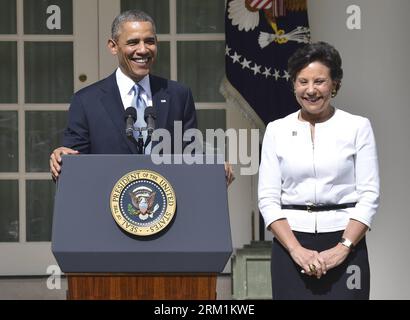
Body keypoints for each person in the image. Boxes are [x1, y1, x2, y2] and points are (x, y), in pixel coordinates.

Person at [49, 9, 234, 185]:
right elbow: (74, 159)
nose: (143, 50)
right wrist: (62, 156)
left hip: (166, 208)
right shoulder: (86, 100)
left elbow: (189, 154)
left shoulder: (178, 95)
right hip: (106, 208)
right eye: (133, 42)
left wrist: (212, 167)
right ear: (113, 46)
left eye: (149, 41)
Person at [258, 41, 379, 299]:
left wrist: (342, 248)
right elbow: (268, 199)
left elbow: (369, 196)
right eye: (303, 82)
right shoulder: (276, 130)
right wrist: (296, 250)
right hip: (290, 246)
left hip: (346, 244)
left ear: (335, 84)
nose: (311, 90)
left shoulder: (358, 127)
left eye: (320, 81)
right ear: (293, 84)